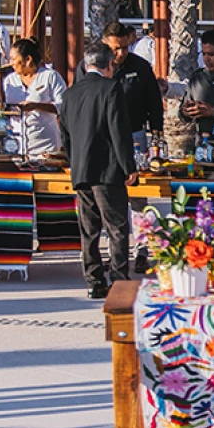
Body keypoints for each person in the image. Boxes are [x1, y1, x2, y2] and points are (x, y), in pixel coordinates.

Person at [60, 41, 133, 301]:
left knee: (89, 230)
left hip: (81, 169)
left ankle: (93, 280)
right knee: (116, 227)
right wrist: (129, 167)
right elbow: (119, 132)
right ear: (108, 65)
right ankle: (119, 280)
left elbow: (65, 135)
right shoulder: (111, 89)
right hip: (108, 170)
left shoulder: (70, 94)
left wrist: (73, 161)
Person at [1, 37, 66, 157]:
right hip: (17, 145)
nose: (11, 63)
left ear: (28, 59)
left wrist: (36, 106)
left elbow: (64, 106)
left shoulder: (50, 76)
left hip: (45, 144)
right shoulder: (9, 80)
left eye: (14, 59)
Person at [102, 21, 162, 148]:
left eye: (125, 47)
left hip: (134, 132)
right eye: (116, 49)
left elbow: (153, 99)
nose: (121, 53)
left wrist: (156, 130)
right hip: (102, 134)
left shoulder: (140, 66)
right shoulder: (93, 67)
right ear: (105, 45)